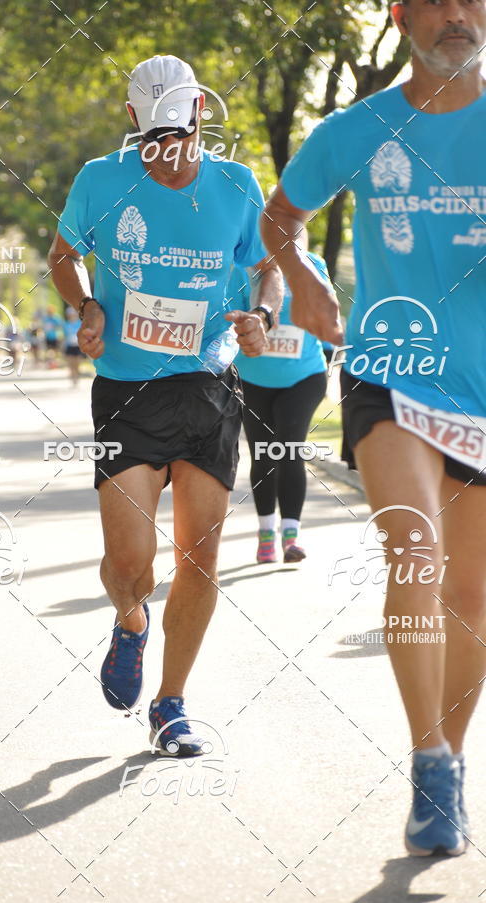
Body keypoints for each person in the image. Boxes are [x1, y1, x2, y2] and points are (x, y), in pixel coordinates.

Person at [262, 0, 486, 857]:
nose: (457, 15)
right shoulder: (357, 129)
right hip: (389, 375)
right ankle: (427, 755)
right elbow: (280, 215)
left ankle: (450, 760)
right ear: (399, 16)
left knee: (470, 598)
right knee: (416, 553)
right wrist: (304, 281)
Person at [48, 55, 282, 756]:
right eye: (152, 139)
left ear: (200, 116)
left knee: (200, 555)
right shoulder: (100, 181)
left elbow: (267, 266)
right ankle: (130, 622)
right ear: (131, 124)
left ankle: (171, 703)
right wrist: (86, 304)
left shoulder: (239, 186)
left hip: (208, 383)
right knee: (130, 560)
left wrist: (262, 315)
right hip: (126, 388)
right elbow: (63, 256)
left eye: (177, 135)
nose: (166, 153)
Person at [227, 259, 329, 563]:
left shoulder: (313, 264)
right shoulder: (240, 269)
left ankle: (291, 535)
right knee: (263, 454)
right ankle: (266, 532)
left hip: (304, 376)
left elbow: (324, 307)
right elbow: (227, 315)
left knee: (289, 449)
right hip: (253, 379)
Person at [63, 307, 83, 386]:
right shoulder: (66, 324)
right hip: (69, 346)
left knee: (77, 363)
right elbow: (64, 336)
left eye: (73, 314)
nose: (72, 316)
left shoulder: (80, 323)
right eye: (70, 315)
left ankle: (77, 376)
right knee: (71, 363)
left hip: (78, 346)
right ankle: (73, 377)